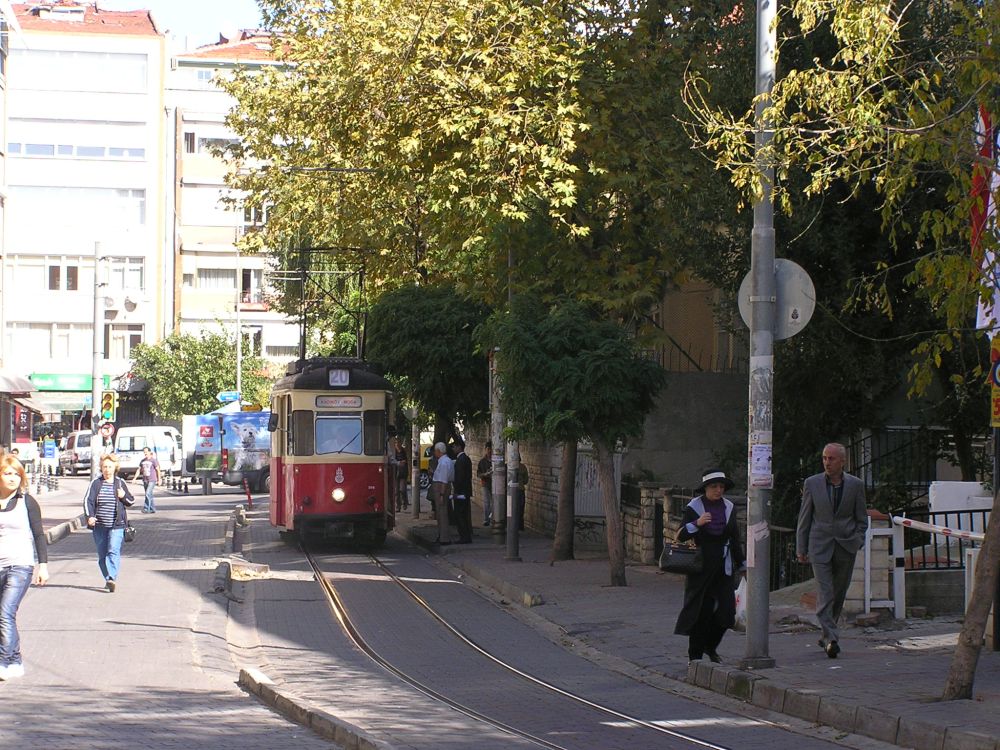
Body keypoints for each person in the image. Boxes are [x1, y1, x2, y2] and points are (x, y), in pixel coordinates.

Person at [796, 442, 868, 658]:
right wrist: (801, 547)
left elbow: (861, 518)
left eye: (831, 458)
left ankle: (827, 636)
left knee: (838, 592)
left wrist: (858, 539)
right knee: (826, 592)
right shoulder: (812, 483)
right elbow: (805, 517)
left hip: (846, 545)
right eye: (824, 458)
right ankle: (832, 638)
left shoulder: (855, 485)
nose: (827, 462)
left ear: (842, 461)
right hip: (820, 545)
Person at [673, 469, 745, 664]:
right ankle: (695, 656)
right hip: (700, 568)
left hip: (723, 568)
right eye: (714, 486)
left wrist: (742, 564)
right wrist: (697, 523)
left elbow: (734, 538)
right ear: (705, 488)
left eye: (721, 487)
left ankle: (710, 646)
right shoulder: (694, 507)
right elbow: (680, 535)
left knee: (727, 614)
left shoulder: (729, 507)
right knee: (701, 613)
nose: (718, 490)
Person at [0, 454, 49, 680]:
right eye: (7, 473)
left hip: (20, 565)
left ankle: (2, 661)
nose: (12, 478)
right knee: (4, 616)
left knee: (5, 612)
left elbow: (39, 535)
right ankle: (15, 661)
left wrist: (43, 566)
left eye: (16, 474)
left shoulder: (27, 502)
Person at [84, 453, 136, 593]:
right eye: (105, 467)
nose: (107, 470)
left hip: (117, 525)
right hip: (99, 526)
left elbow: (131, 501)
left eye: (110, 467)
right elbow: (88, 501)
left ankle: (112, 577)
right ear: (101, 468)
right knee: (102, 555)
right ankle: (108, 579)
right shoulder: (96, 483)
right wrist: (90, 516)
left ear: (115, 468)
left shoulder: (120, 483)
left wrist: (123, 496)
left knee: (113, 549)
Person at [431, 442, 454, 545]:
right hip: (441, 486)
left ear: (438, 451)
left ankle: (444, 538)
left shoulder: (444, 462)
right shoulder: (446, 461)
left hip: (441, 488)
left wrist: (441, 494)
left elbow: (444, 480)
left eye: (436, 451)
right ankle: (441, 536)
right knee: (441, 513)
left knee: (442, 513)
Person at [452, 438, 473, 544]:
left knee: (460, 514)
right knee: (464, 514)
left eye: (454, 446)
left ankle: (464, 536)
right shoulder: (466, 459)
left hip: (461, 492)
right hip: (466, 491)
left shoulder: (461, 460)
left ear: (459, 447)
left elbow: (460, 478)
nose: (453, 449)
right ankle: (466, 535)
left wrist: (456, 490)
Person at [132, 446, 160, 514]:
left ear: (150, 452)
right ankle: (152, 509)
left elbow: (158, 470)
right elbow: (139, 470)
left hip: (152, 479)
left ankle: (146, 508)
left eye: (146, 452)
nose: (145, 453)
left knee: (148, 493)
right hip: (145, 480)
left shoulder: (153, 460)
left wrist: (159, 479)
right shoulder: (142, 461)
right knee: (149, 494)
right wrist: (134, 478)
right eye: (144, 452)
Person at [477, 441, 493, 526]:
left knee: (494, 502)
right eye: (488, 449)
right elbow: (478, 474)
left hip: (494, 484)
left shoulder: (496, 460)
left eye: (491, 449)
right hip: (485, 484)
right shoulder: (482, 461)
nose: (490, 451)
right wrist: (485, 474)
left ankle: (492, 518)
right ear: (485, 450)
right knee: (486, 503)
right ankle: (486, 519)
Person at [391, 437, 408, 511]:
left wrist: (400, 463)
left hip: (403, 473)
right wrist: (399, 463)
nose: (397, 444)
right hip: (396, 473)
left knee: (402, 489)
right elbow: (393, 461)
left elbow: (405, 462)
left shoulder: (403, 451)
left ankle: (404, 502)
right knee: (396, 491)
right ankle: (398, 506)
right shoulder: (393, 452)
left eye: (398, 443)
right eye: (396, 443)